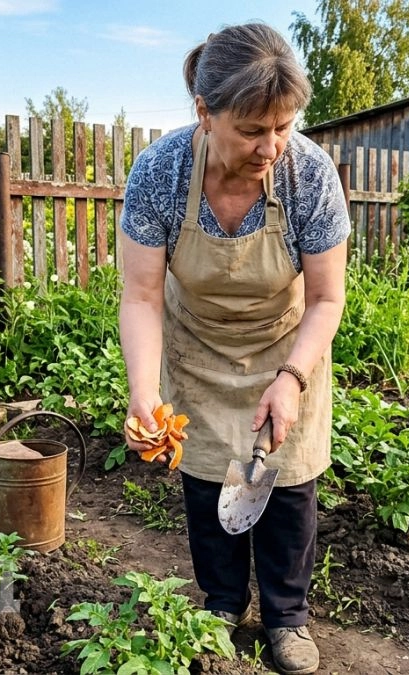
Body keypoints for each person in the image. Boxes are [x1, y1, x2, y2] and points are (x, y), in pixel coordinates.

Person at [117, 22, 350, 675]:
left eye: (282, 126)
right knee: (205, 474)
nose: (270, 145)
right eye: (252, 129)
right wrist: (144, 391)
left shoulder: (309, 174)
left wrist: (293, 378)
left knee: (290, 482)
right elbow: (140, 294)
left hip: (286, 342)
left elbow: (327, 297)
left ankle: (287, 616)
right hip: (197, 342)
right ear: (204, 112)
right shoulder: (161, 173)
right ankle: (221, 603)